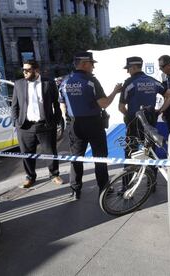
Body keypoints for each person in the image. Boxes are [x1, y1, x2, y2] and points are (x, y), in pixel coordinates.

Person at [59, 52, 122, 200]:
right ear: (84, 63)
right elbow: (104, 103)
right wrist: (115, 91)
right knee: (100, 157)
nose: (93, 67)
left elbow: (62, 103)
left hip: (74, 124)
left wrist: (67, 119)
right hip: (93, 123)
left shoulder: (64, 81)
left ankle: (75, 190)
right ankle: (104, 189)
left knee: (76, 158)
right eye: (92, 64)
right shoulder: (91, 81)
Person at [11, 60, 63, 188]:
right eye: (23, 70)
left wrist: (56, 120)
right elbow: (14, 106)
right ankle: (30, 177)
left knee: (50, 152)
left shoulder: (48, 83)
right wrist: (16, 122)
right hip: (25, 126)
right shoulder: (18, 84)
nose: (24, 72)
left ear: (36, 70)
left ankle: (54, 174)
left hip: (45, 125)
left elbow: (56, 103)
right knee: (27, 154)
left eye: (27, 70)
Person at [118, 56, 170, 158]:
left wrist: (129, 116)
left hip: (134, 122)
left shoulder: (129, 83)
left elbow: (121, 107)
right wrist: (160, 111)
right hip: (150, 120)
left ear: (134, 67)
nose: (127, 72)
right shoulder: (152, 81)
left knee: (131, 150)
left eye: (128, 68)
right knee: (151, 150)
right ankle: (151, 172)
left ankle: (129, 173)